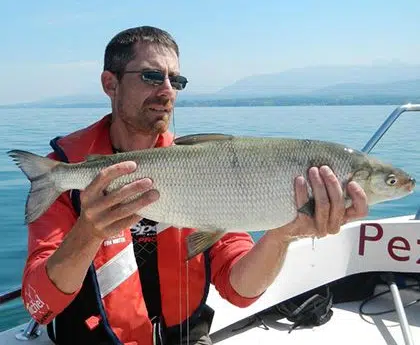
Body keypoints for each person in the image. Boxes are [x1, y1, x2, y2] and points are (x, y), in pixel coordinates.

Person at [21, 26, 368, 345]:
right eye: (152, 76)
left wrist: (282, 234)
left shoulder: (205, 167)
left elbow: (239, 289)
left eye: (176, 80)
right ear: (110, 83)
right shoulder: (68, 175)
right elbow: (39, 305)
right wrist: (88, 233)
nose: (167, 90)